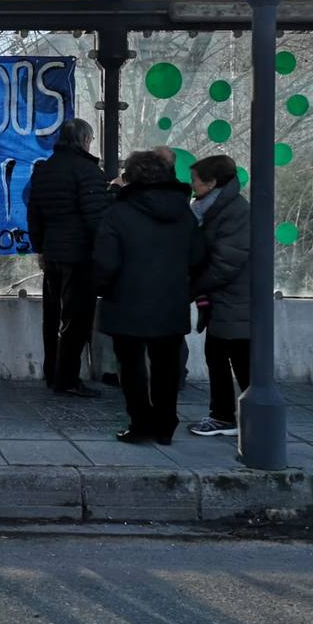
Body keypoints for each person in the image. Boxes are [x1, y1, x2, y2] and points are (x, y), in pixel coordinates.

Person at [93, 150, 203, 444]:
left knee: (131, 366)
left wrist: (103, 288)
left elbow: (106, 262)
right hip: (170, 300)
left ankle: (140, 423)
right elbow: (199, 257)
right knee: (167, 365)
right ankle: (165, 424)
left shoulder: (118, 213)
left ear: (130, 178)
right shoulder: (184, 213)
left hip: (126, 300)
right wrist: (184, 290)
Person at [26, 118, 110, 397]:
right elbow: (96, 218)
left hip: (52, 254)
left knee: (52, 317)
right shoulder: (88, 172)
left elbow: (34, 213)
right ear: (85, 140)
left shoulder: (44, 170)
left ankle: (53, 373)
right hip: (80, 255)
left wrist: (40, 247)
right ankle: (68, 378)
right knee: (76, 320)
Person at [187, 154, 251, 437]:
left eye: (196, 182)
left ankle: (228, 417)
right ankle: (232, 416)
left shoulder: (234, 212)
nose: (192, 187)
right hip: (227, 297)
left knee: (235, 356)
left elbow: (226, 262)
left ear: (212, 183)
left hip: (235, 297)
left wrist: (194, 287)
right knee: (223, 354)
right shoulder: (216, 208)